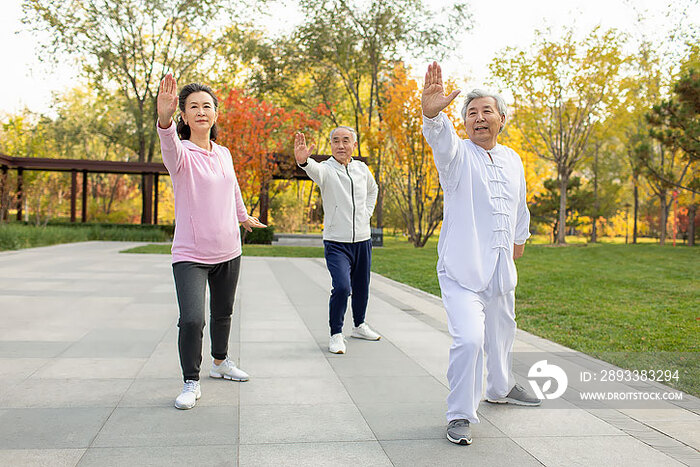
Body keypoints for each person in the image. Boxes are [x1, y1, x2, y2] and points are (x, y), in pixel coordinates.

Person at [421, 62, 541, 445]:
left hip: (501, 272)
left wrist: (518, 239)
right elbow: (441, 139)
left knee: (503, 334)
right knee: (470, 340)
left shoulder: (513, 158)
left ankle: (501, 388)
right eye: (471, 113)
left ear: (501, 119)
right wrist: (432, 114)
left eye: (486, 111)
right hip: (462, 271)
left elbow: (520, 204)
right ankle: (459, 414)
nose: (478, 118)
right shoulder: (457, 156)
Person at [156, 73, 266, 410]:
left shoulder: (224, 153)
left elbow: (232, 189)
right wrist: (163, 118)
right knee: (192, 319)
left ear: (215, 114)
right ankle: (191, 381)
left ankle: (220, 363)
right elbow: (168, 142)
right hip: (190, 254)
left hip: (229, 250)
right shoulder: (181, 154)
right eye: (193, 107)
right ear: (184, 117)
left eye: (207, 106)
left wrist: (243, 217)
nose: (201, 111)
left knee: (223, 313)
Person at [293, 127, 380, 354]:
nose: (341, 146)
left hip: (363, 240)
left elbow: (373, 190)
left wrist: (366, 214)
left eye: (346, 141)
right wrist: (304, 162)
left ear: (354, 144)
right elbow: (313, 169)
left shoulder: (362, 169)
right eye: (336, 141)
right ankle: (336, 334)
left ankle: (360, 325)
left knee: (362, 287)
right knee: (342, 287)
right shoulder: (326, 170)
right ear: (331, 145)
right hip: (336, 243)